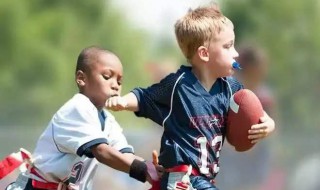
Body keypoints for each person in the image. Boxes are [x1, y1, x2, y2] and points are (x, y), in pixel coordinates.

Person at [106, 4, 275, 190]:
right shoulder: (179, 85)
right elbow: (144, 97)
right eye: (228, 47)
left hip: (204, 181)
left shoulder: (230, 87)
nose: (235, 53)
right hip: (181, 179)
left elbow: (254, 110)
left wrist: (267, 124)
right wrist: (123, 101)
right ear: (204, 53)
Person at [5, 46, 158, 190]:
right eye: (107, 76)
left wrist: (153, 169)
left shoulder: (108, 120)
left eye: (119, 81)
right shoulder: (77, 108)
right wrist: (144, 171)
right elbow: (102, 151)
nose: (115, 85)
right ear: (81, 78)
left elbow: (125, 155)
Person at [216, 44, 279, 190]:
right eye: (259, 68)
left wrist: (264, 137)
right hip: (228, 159)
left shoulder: (265, 98)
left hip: (255, 161)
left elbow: (273, 128)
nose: (263, 72)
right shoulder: (226, 93)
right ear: (249, 69)